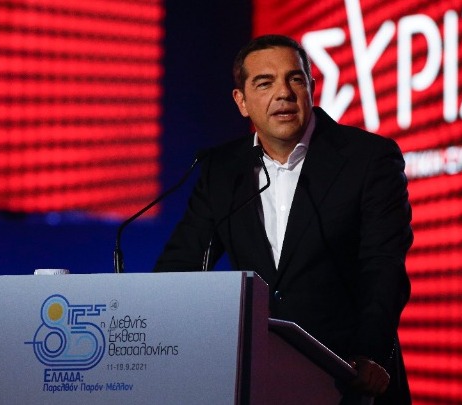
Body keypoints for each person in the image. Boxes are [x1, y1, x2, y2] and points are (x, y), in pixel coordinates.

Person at [155, 34, 413, 404]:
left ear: (311, 89)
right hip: (260, 377)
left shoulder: (368, 158)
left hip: (350, 376)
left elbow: (383, 267)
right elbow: (180, 266)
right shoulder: (222, 170)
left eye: (295, 79)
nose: (284, 93)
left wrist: (370, 352)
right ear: (241, 101)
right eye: (265, 83)